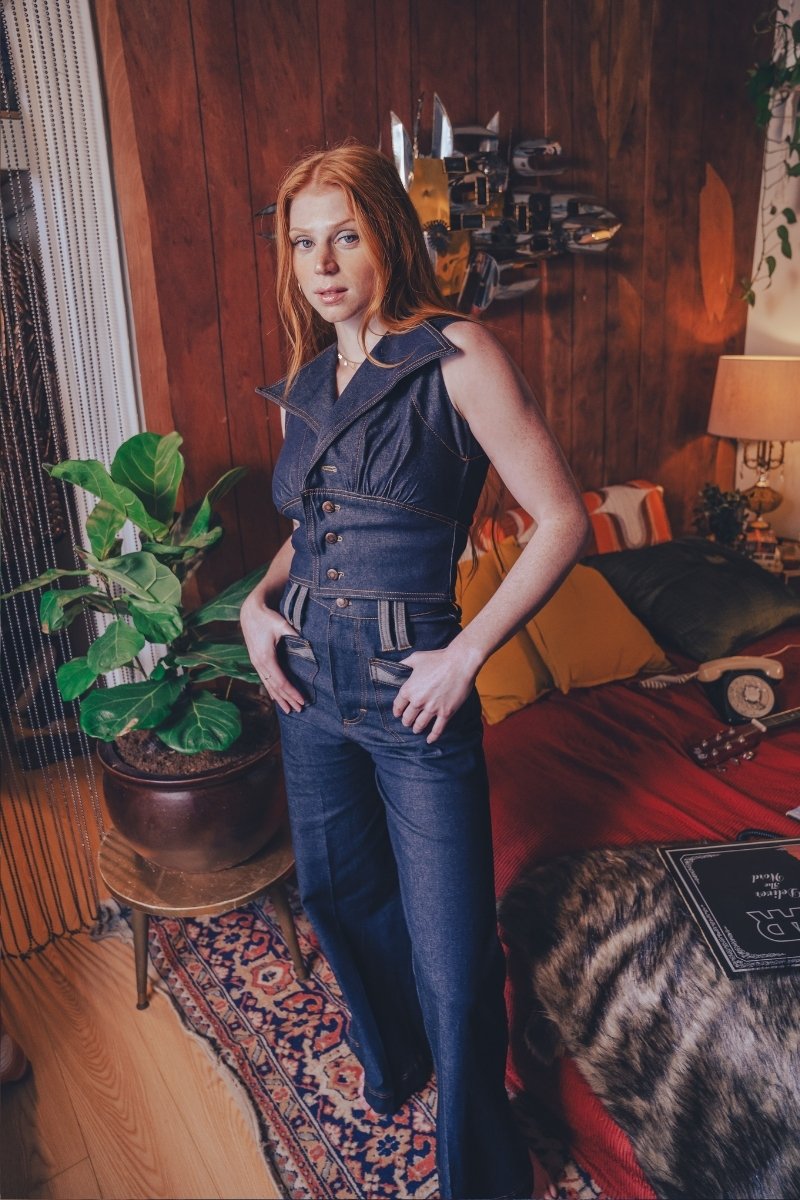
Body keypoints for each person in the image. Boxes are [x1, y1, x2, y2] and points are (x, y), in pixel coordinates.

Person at [239, 142, 589, 1200]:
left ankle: (482, 1174)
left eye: (344, 236)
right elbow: (310, 530)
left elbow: (561, 519)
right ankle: (395, 1064)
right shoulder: (306, 383)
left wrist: (467, 652)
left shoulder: (456, 353)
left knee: (451, 952)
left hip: (411, 690)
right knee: (336, 893)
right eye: (303, 242)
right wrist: (257, 603)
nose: (321, 263)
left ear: (387, 236)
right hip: (307, 681)